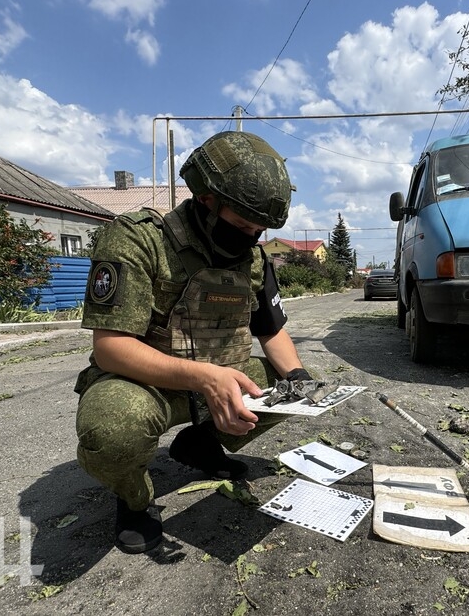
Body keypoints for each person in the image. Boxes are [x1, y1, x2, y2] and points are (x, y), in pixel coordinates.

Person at [73, 131, 312, 554]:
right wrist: (204, 377)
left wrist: (300, 377)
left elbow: (271, 330)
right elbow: (109, 346)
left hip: (214, 381)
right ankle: (134, 500)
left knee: (288, 386)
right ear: (206, 201)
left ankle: (201, 444)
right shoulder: (139, 239)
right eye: (242, 225)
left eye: (259, 230)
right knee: (111, 429)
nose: (251, 238)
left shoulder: (253, 259)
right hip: (145, 384)